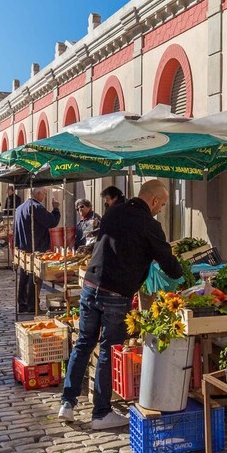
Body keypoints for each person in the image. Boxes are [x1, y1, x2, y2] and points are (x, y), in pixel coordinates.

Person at [60, 179, 183, 429]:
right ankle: (101, 414)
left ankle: (67, 403)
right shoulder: (150, 225)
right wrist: (182, 275)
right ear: (155, 200)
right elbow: (168, 262)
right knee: (108, 349)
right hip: (116, 294)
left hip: (91, 286)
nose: (161, 209)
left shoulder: (114, 211)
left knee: (84, 344)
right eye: (163, 204)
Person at [13, 187, 60, 314]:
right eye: (44, 194)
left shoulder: (20, 208)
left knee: (24, 277)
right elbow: (52, 222)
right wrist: (56, 209)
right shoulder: (36, 207)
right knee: (34, 278)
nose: (44, 197)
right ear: (38, 193)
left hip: (23, 248)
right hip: (35, 248)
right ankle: (32, 306)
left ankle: (23, 305)